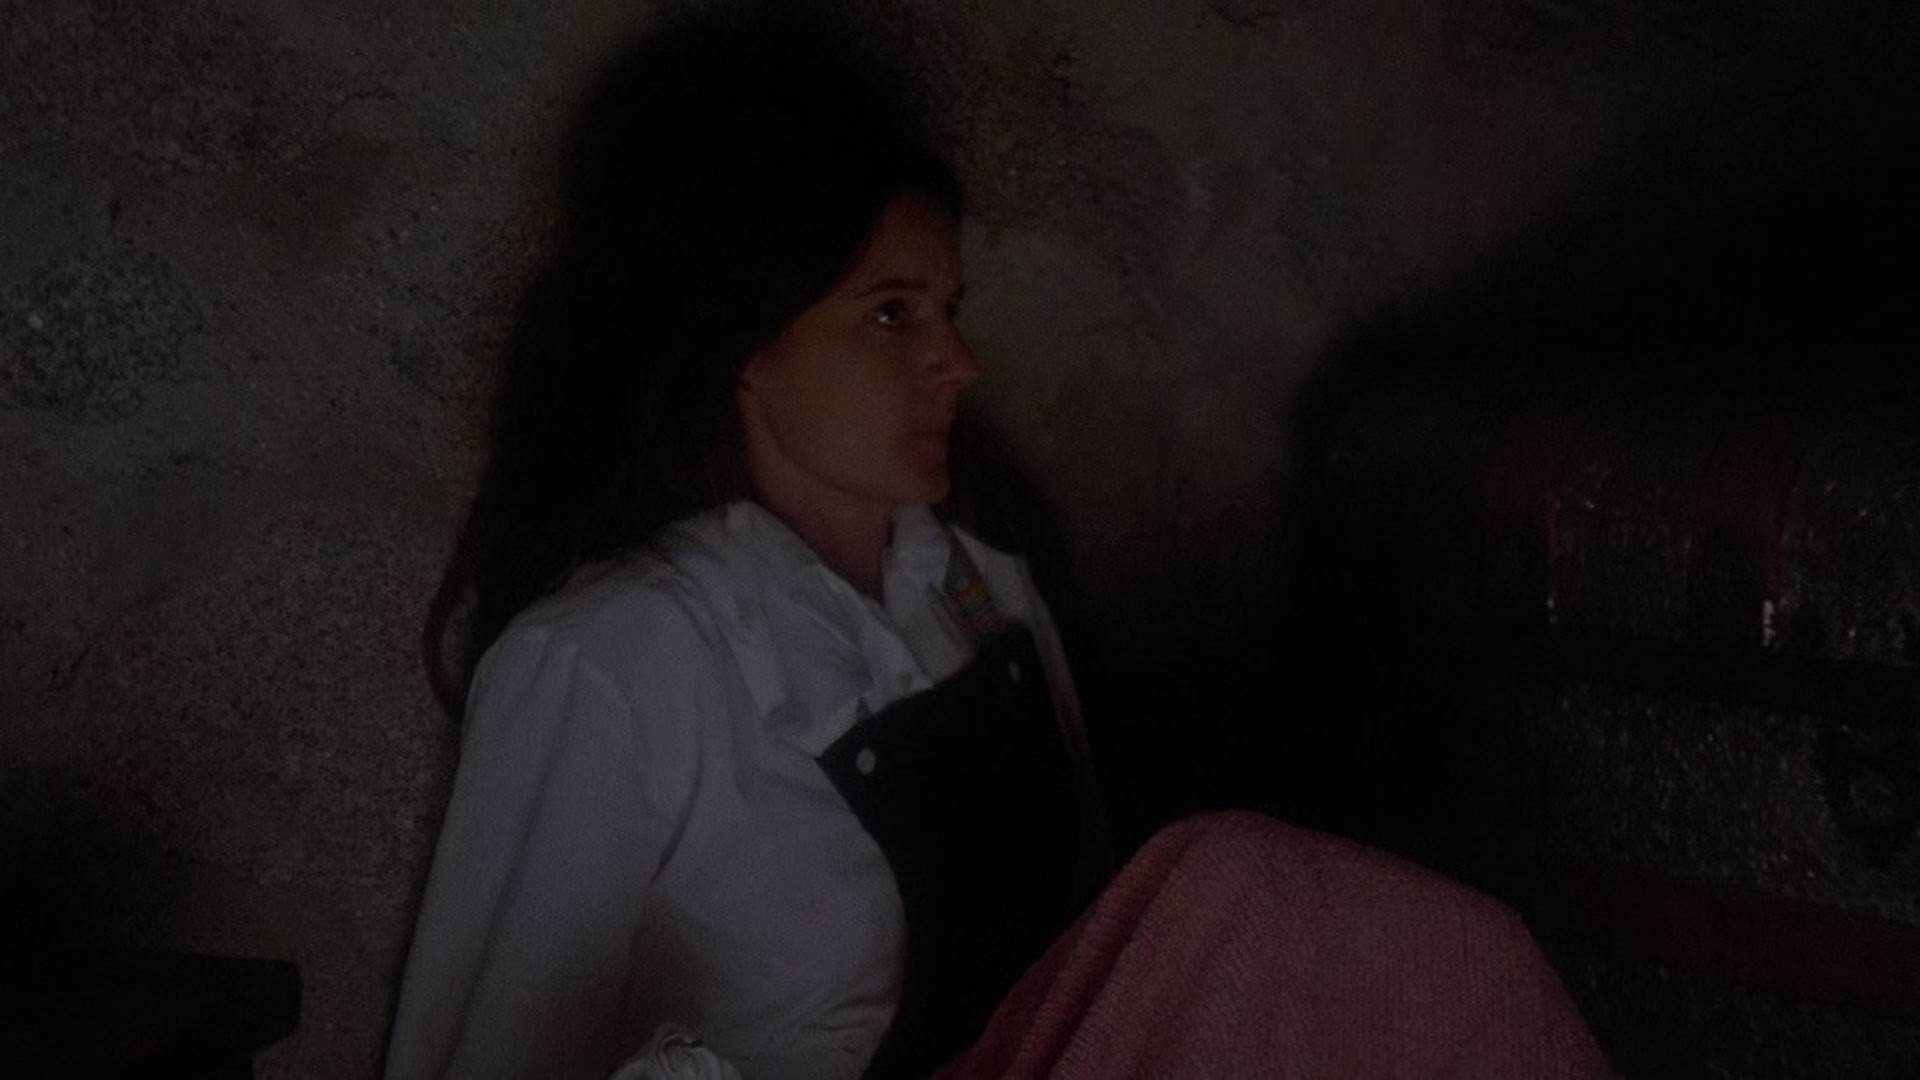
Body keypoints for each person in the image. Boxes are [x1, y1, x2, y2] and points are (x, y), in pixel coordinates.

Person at [387, 9, 1611, 1080]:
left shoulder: (981, 590)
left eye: (949, 310)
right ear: (741, 345)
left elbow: (1112, 981)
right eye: (890, 315)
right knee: (1230, 883)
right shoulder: (615, 658)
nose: (957, 362)